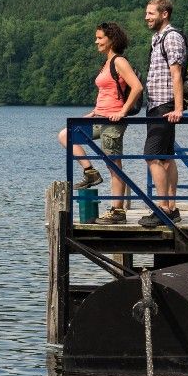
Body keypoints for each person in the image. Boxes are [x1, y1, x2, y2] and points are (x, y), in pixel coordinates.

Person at [58, 22, 143, 224]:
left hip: (113, 121)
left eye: (100, 38)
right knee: (65, 135)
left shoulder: (119, 61)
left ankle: (117, 211)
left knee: (114, 166)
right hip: (99, 117)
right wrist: (93, 112)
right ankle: (90, 172)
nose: (96, 41)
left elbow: (137, 87)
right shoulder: (106, 63)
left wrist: (122, 111)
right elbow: (106, 92)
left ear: (111, 39)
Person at [140, 0, 186, 228]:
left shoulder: (171, 37)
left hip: (165, 105)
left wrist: (178, 108)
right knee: (166, 157)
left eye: (151, 13)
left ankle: (163, 209)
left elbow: (176, 74)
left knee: (152, 155)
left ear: (164, 14)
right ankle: (172, 208)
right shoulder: (157, 38)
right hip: (156, 104)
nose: (146, 17)